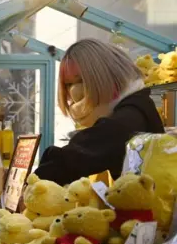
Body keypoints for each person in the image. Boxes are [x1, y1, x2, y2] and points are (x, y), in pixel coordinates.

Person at [34, 39, 164, 186]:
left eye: (81, 80)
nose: (74, 92)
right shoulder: (135, 107)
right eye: (68, 84)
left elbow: (74, 158)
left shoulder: (127, 117)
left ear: (104, 76)